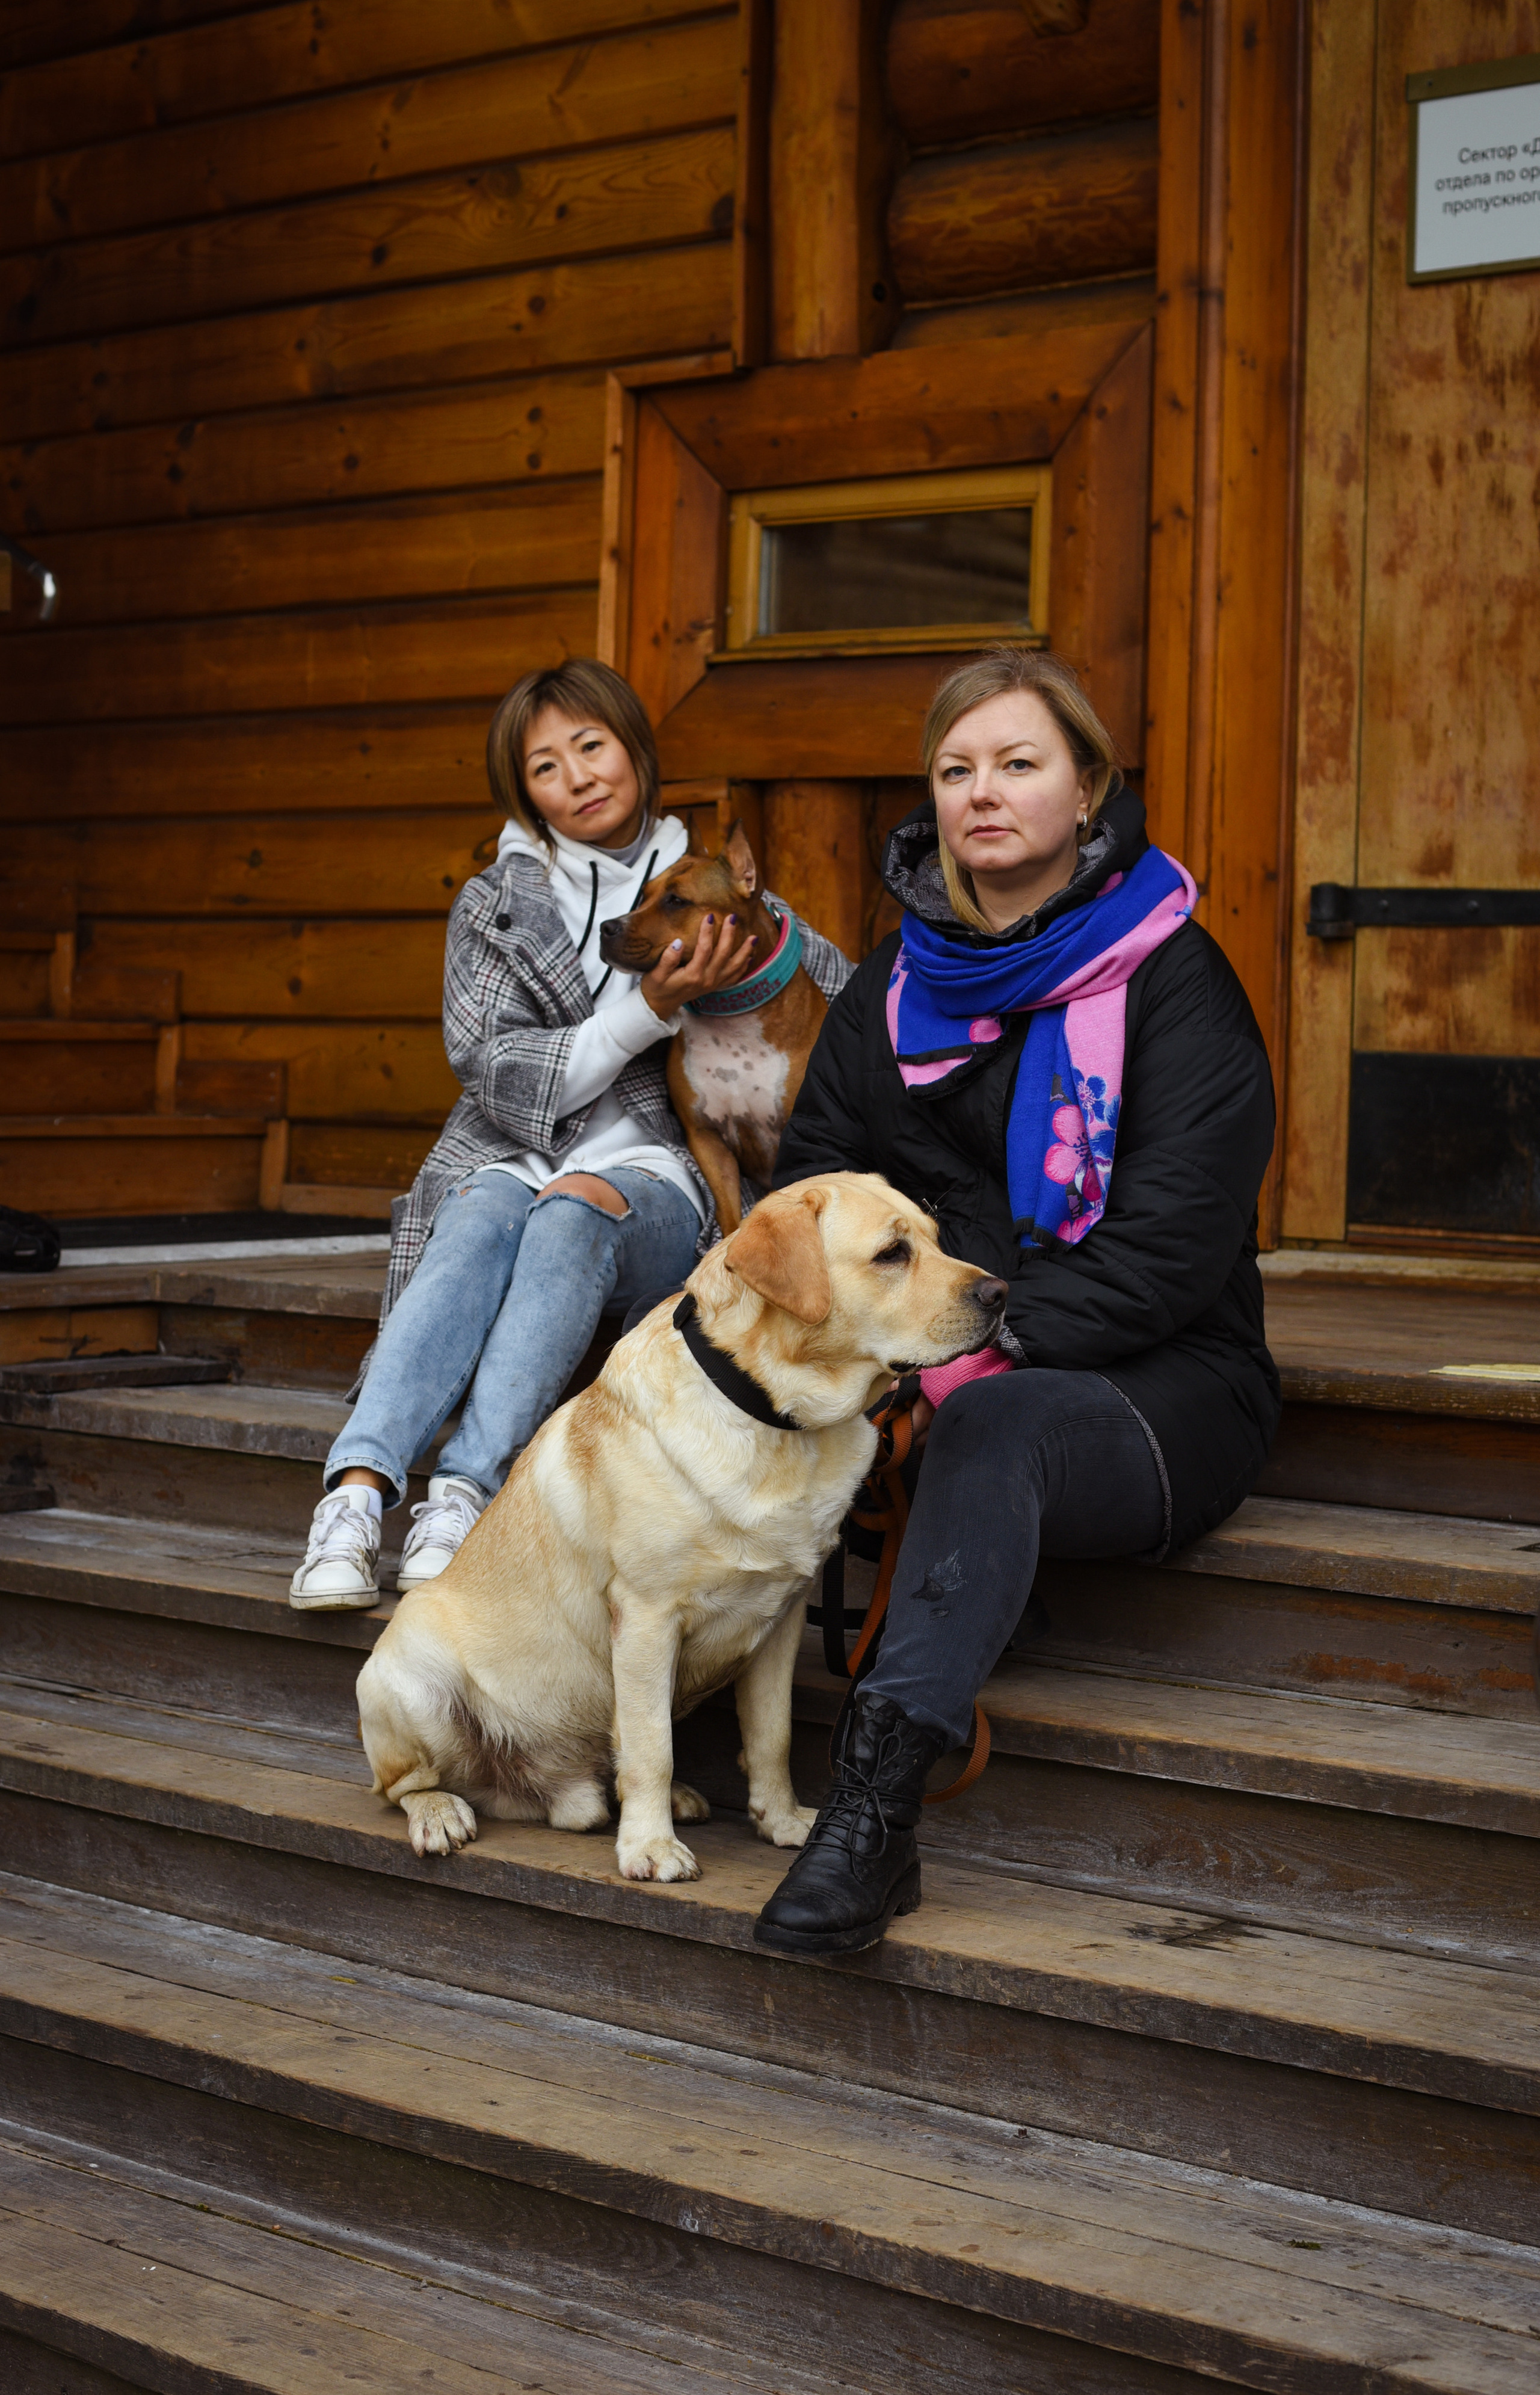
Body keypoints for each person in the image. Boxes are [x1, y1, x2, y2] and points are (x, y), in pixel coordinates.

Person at [753, 647, 1280, 1958]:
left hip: (1159, 1379)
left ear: (1088, 787)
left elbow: (1172, 1247)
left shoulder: (1174, 977)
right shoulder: (888, 989)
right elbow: (812, 1192)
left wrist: (964, 1362)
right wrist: (892, 1362)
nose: (980, 791)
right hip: (917, 1362)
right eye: (955, 769)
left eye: (1017, 762)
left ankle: (870, 1810)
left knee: (995, 1423)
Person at [289, 659, 850, 1610]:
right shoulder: (493, 906)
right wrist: (647, 1011)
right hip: (510, 1151)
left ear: (635, 749)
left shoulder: (718, 885)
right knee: (480, 1210)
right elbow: (490, 1067)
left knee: (574, 1209)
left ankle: (463, 1494)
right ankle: (354, 1493)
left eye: (592, 746)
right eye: (545, 766)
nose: (578, 776)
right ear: (524, 793)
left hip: (655, 1173)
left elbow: (835, 994)